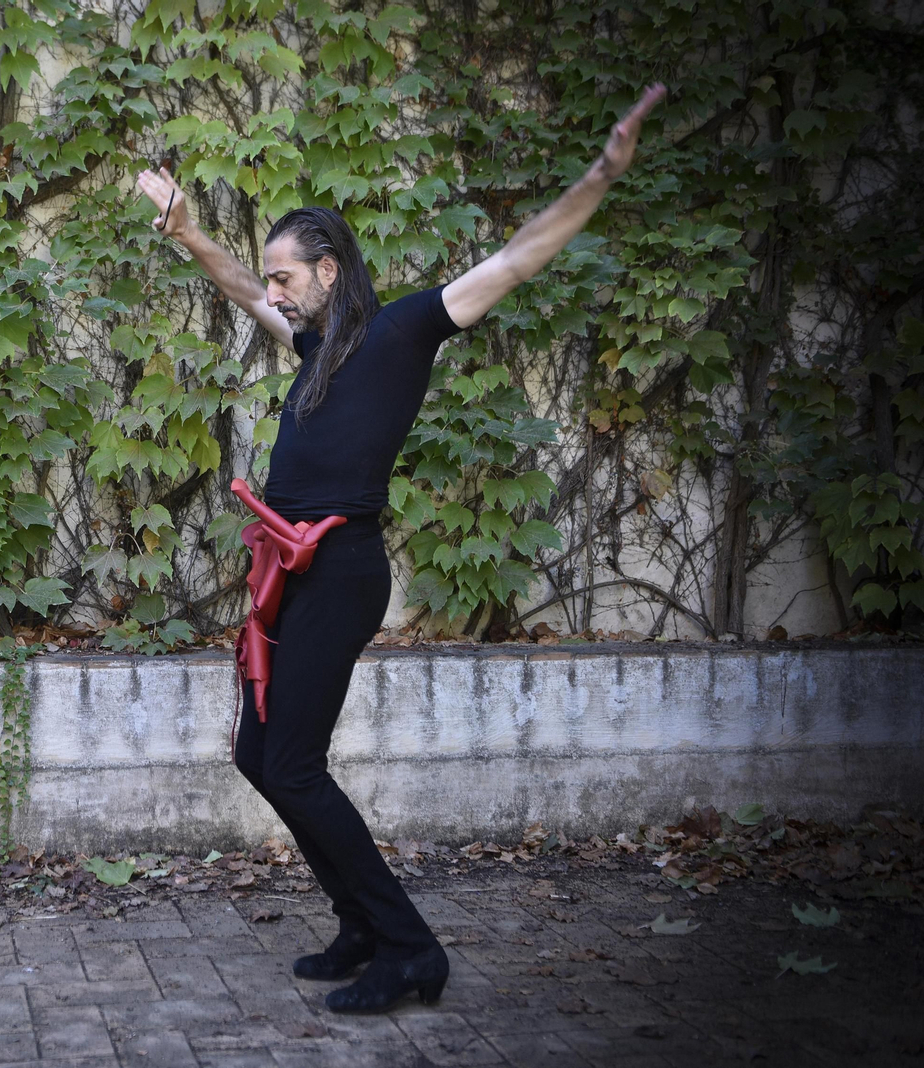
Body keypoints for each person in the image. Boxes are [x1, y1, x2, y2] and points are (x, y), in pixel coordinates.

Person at [135, 84, 667, 1014]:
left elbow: (515, 259)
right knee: (259, 756)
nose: (273, 291)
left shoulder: (403, 329)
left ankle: (411, 948)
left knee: (291, 761)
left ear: (331, 269)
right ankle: (357, 922)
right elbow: (230, 284)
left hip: (342, 570)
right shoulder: (310, 346)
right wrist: (185, 229)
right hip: (287, 570)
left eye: (287, 276)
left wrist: (601, 176)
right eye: (272, 279)